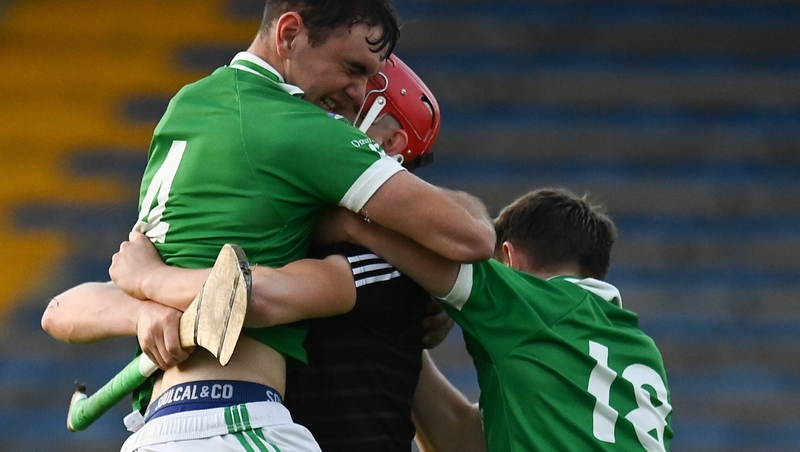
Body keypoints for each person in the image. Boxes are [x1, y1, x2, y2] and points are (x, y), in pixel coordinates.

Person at [42, 23, 483, 449]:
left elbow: (250, 296)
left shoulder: (384, 254)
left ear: (389, 148)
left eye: (350, 108)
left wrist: (151, 283)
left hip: (246, 426)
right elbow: (63, 308)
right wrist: (143, 312)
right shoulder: (272, 216)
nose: (325, 113)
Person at [319, 187, 674, 451]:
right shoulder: (641, 350)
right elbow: (462, 438)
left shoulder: (534, 305)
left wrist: (351, 226)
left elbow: (444, 252)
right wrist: (401, 335)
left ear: (508, 257)